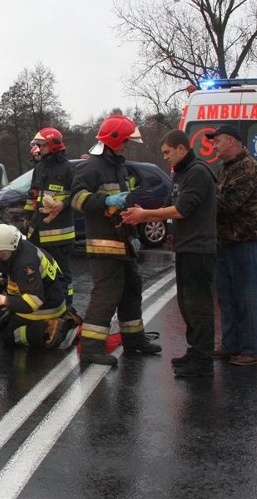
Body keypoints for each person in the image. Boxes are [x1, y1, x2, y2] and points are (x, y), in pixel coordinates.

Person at [121, 129, 217, 377]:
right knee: (187, 304)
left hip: (199, 249)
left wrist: (146, 215)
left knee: (198, 305)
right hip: (185, 247)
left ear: (181, 149)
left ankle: (203, 360)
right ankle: (195, 351)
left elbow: (183, 209)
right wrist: (144, 211)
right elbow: (168, 205)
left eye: (167, 152)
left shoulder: (197, 172)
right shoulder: (182, 173)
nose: (164, 157)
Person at [69, 115, 161, 365]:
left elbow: (124, 199)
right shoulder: (91, 167)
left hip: (124, 242)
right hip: (104, 245)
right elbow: (76, 199)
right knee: (106, 295)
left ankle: (134, 340)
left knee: (131, 291)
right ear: (114, 139)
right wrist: (106, 201)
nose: (127, 146)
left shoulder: (118, 166)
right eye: (125, 141)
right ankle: (90, 348)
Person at [205, 125, 257, 366]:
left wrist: (197, 201)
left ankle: (252, 350)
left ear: (230, 141)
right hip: (225, 240)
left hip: (245, 241)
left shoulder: (247, 167)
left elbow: (228, 203)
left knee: (247, 297)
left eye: (217, 141)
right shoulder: (225, 168)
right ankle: (230, 345)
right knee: (226, 297)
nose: (214, 145)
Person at [0, 224, 77, 349]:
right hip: (53, 297)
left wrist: (4, 300)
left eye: (1, 253)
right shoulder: (22, 248)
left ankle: (55, 331)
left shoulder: (25, 264)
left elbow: (34, 302)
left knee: (9, 334)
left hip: (45, 307)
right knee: (4, 321)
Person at [25, 127, 82, 328]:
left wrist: (63, 204)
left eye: (42, 145)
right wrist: (26, 217)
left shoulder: (68, 169)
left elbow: (77, 195)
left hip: (59, 235)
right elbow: (32, 196)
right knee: (40, 272)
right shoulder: (39, 168)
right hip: (38, 233)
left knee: (62, 274)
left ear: (54, 145)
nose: (38, 149)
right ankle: (46, 306)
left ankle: (66, 308)